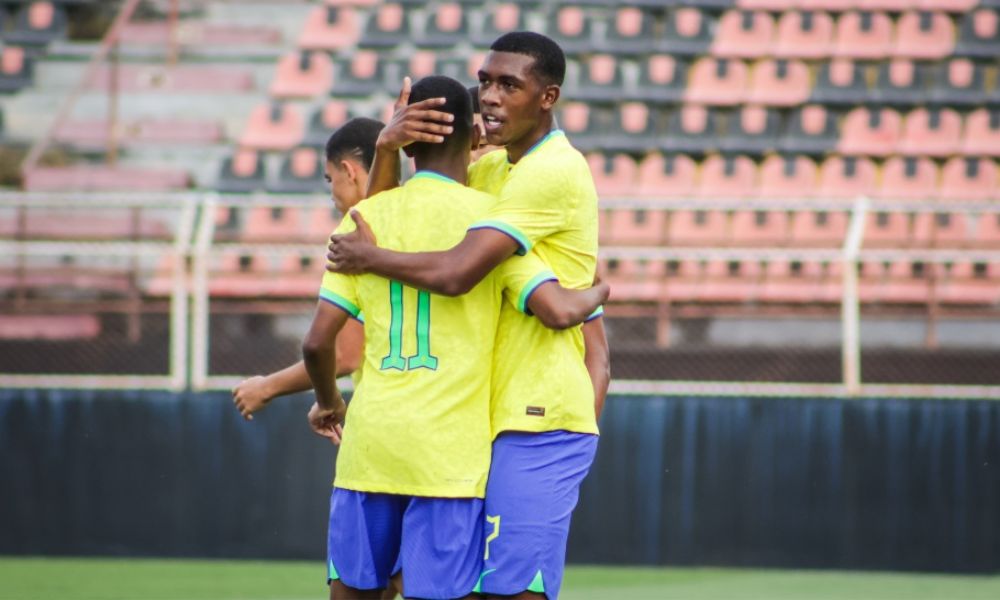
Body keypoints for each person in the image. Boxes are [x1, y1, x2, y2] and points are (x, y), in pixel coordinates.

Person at [305, 75, 608, 600]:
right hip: (449, 452)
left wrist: (327, 401)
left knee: (359, 590)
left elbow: (317, 344)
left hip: (373, 443)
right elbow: (555, 307)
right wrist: (598, 290)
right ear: (471, 138)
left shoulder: (363, 225)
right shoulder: (489, 220)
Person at [231, 118, 385, 421]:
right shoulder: (419, 217)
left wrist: (266, 387)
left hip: (385, 413)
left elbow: (342, 354)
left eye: (330, 179)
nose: (331, 193)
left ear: (349, 171)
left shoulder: (355, 234)